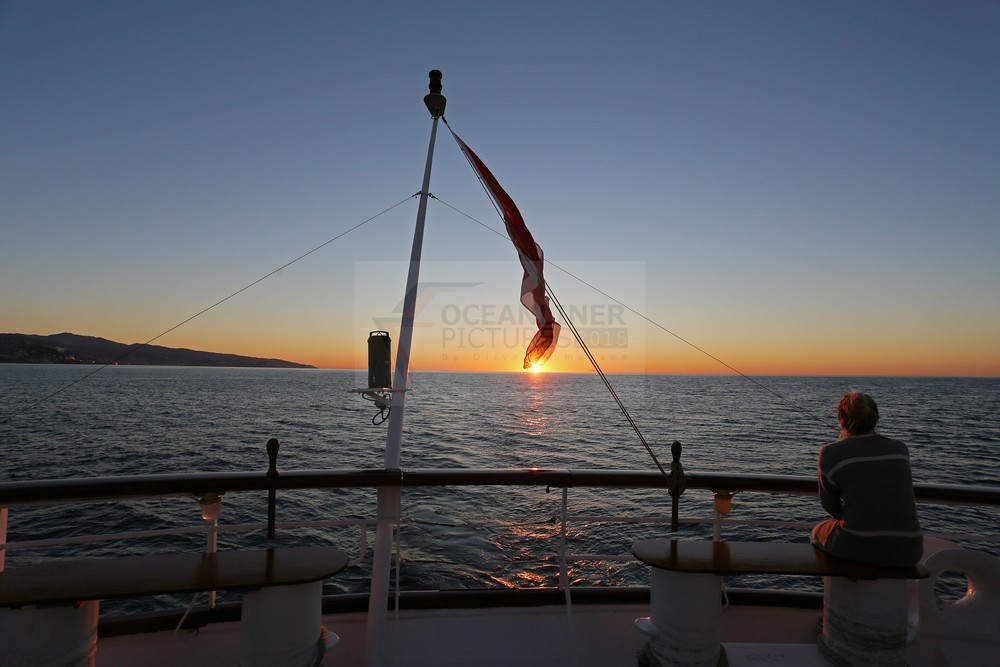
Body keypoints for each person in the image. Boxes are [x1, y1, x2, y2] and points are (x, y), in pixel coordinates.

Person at [810, 390, 923, 567]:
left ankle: (842, 588)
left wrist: (852, 518)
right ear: (876, 417)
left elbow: (829, 504)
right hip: (910, 550)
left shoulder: (830, 453)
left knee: (817, 532)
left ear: (840, 417)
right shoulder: (900, 449)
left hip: (859, 547)